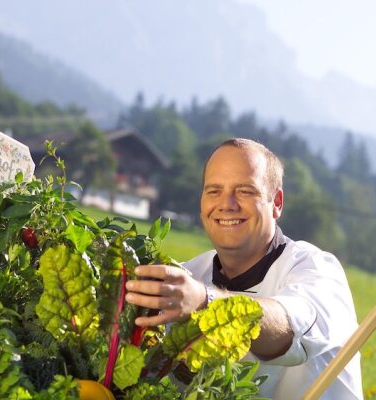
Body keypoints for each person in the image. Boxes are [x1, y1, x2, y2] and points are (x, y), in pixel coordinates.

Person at [125, 138, 363, 399]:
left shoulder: (317, 270)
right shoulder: (191, 275)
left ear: (277, 203)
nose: (227, 204)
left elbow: (290, 327)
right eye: (214, 190)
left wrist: (206, 303)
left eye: (245, 191)